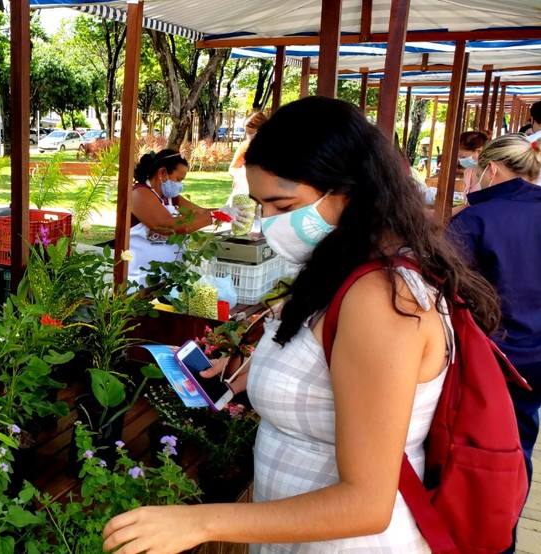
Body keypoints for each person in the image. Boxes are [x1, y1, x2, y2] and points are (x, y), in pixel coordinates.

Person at [103, 97, 500, 553]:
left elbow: (367, 503)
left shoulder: (382, 299)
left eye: (283, 204)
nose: (269, 223)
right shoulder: (344, 267)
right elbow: (334, 370)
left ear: (349, 191)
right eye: (261, 205)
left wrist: (199, 523)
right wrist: (268, 367)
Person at [447, 133, 541, 521]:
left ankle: (490, 530)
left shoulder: (475, 219)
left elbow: (446, 286)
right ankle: (507, 518)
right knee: (520, 441)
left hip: (493, 357)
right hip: (536, 357)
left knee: (486, 450)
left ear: (492, 169)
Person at [127, 149, 245, 286]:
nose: (180, 185)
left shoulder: (171, 198)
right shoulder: (139, 194)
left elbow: (199, 213)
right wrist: (216, 215)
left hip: (168, 280)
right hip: (140, 282)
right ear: (162, 173)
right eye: (178, 179)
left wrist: (229, 212)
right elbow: (168, 225)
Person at [227, 111, 268, 198]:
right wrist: (240, 176)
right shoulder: (245, 146)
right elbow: (233, 168)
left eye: (252, 133)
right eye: (247, 133)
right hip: (247, 193)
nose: (249, 137)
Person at [452, 130, 489, 215]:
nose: (460, 160)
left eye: (462, 156)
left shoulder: (490, 174)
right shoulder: (468, 171)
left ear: (478, 151)